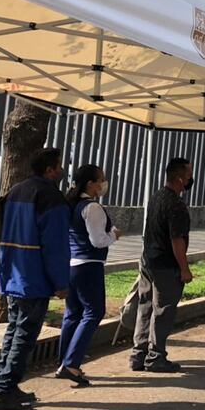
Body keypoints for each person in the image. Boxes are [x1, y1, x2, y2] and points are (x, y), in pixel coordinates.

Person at [0, 148, 70, 410]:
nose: (62, 170)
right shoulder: (51, 197)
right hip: (34, 278)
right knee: (24, 336)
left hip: (13, 273)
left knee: (14, 331)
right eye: (59, 166)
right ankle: (4, 392)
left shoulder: (16, 190)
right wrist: (61, 282)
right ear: (50, 169)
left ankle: (4, 387)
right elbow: (56, 245)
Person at [57, 164, 121, 387]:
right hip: (89, 264)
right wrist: (113, 235)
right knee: (94, 311)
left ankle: (64, 360)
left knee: (73, 313)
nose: (104, 183)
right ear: (90, 184)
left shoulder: (70, 204)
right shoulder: (92, 208)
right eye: (101, 179)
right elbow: (98, 240)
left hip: (72, 264)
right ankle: (72, 363)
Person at [130, 157, 194, 373]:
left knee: (145, 305)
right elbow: (177, 240)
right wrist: (184, 268)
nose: (190, 179)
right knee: (163, 310)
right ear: (179, 178)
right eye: (188, 175)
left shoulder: (157, 197)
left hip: (148, 259)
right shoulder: (176, 205)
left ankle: (138, 354)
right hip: (166, 264)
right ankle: (156, 356)